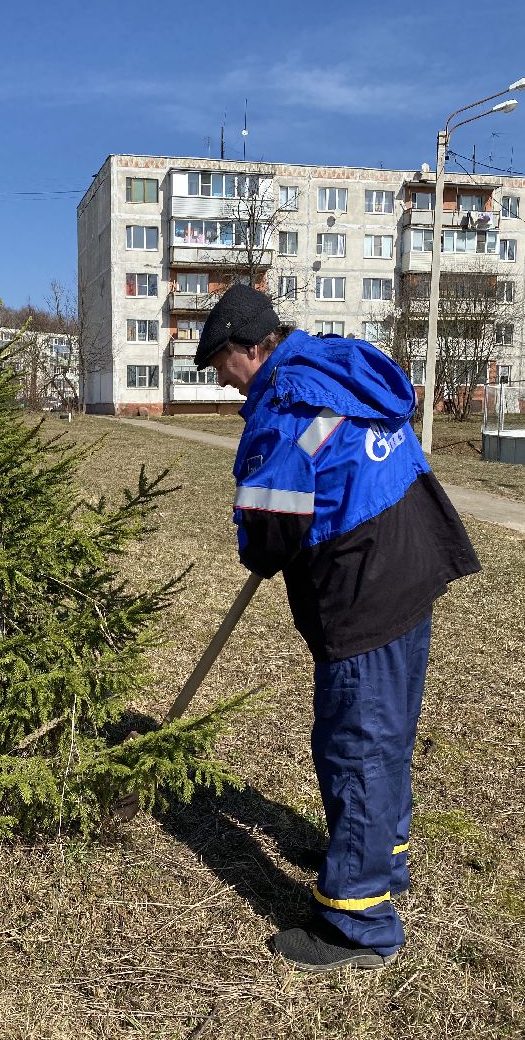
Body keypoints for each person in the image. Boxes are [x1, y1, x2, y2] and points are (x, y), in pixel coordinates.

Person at [194, 283, 480, 974]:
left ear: (245, 350)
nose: (225, 385)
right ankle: (383, 854)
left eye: (219, 367)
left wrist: (259, 549)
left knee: (356, 743)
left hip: (365, 581)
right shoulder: (336, 362)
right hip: (414, 553)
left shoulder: (285, 401)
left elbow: (269, 530)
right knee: (385, 732)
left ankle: (359, 923)